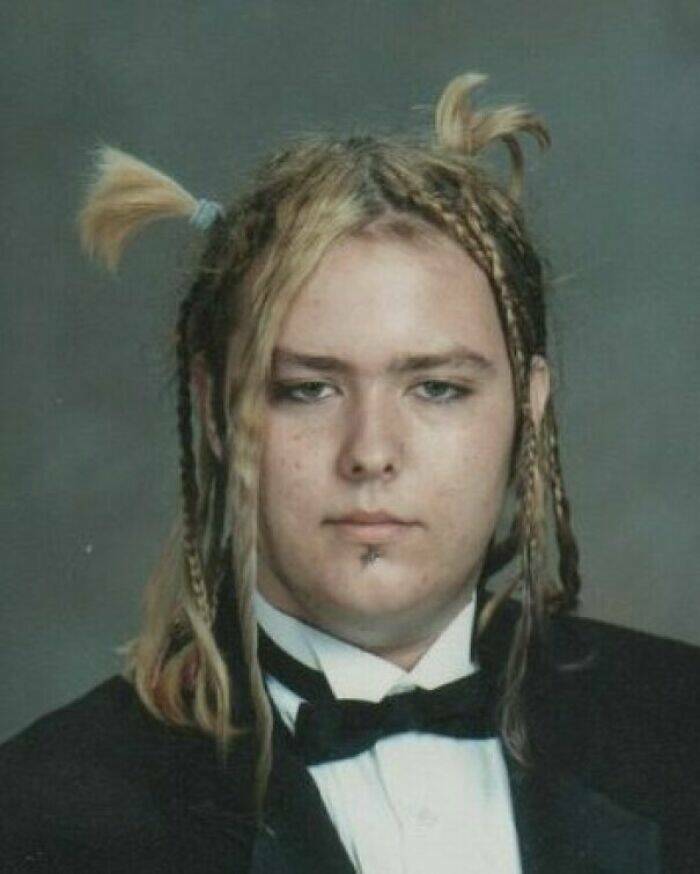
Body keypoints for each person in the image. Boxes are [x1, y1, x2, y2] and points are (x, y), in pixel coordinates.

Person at [0, 72, 697, 874]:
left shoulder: (682, 728)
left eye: (437, 388)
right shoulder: (47, 813)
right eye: (308, 389)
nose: (370, 452)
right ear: (216, 412)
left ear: (528, 407)